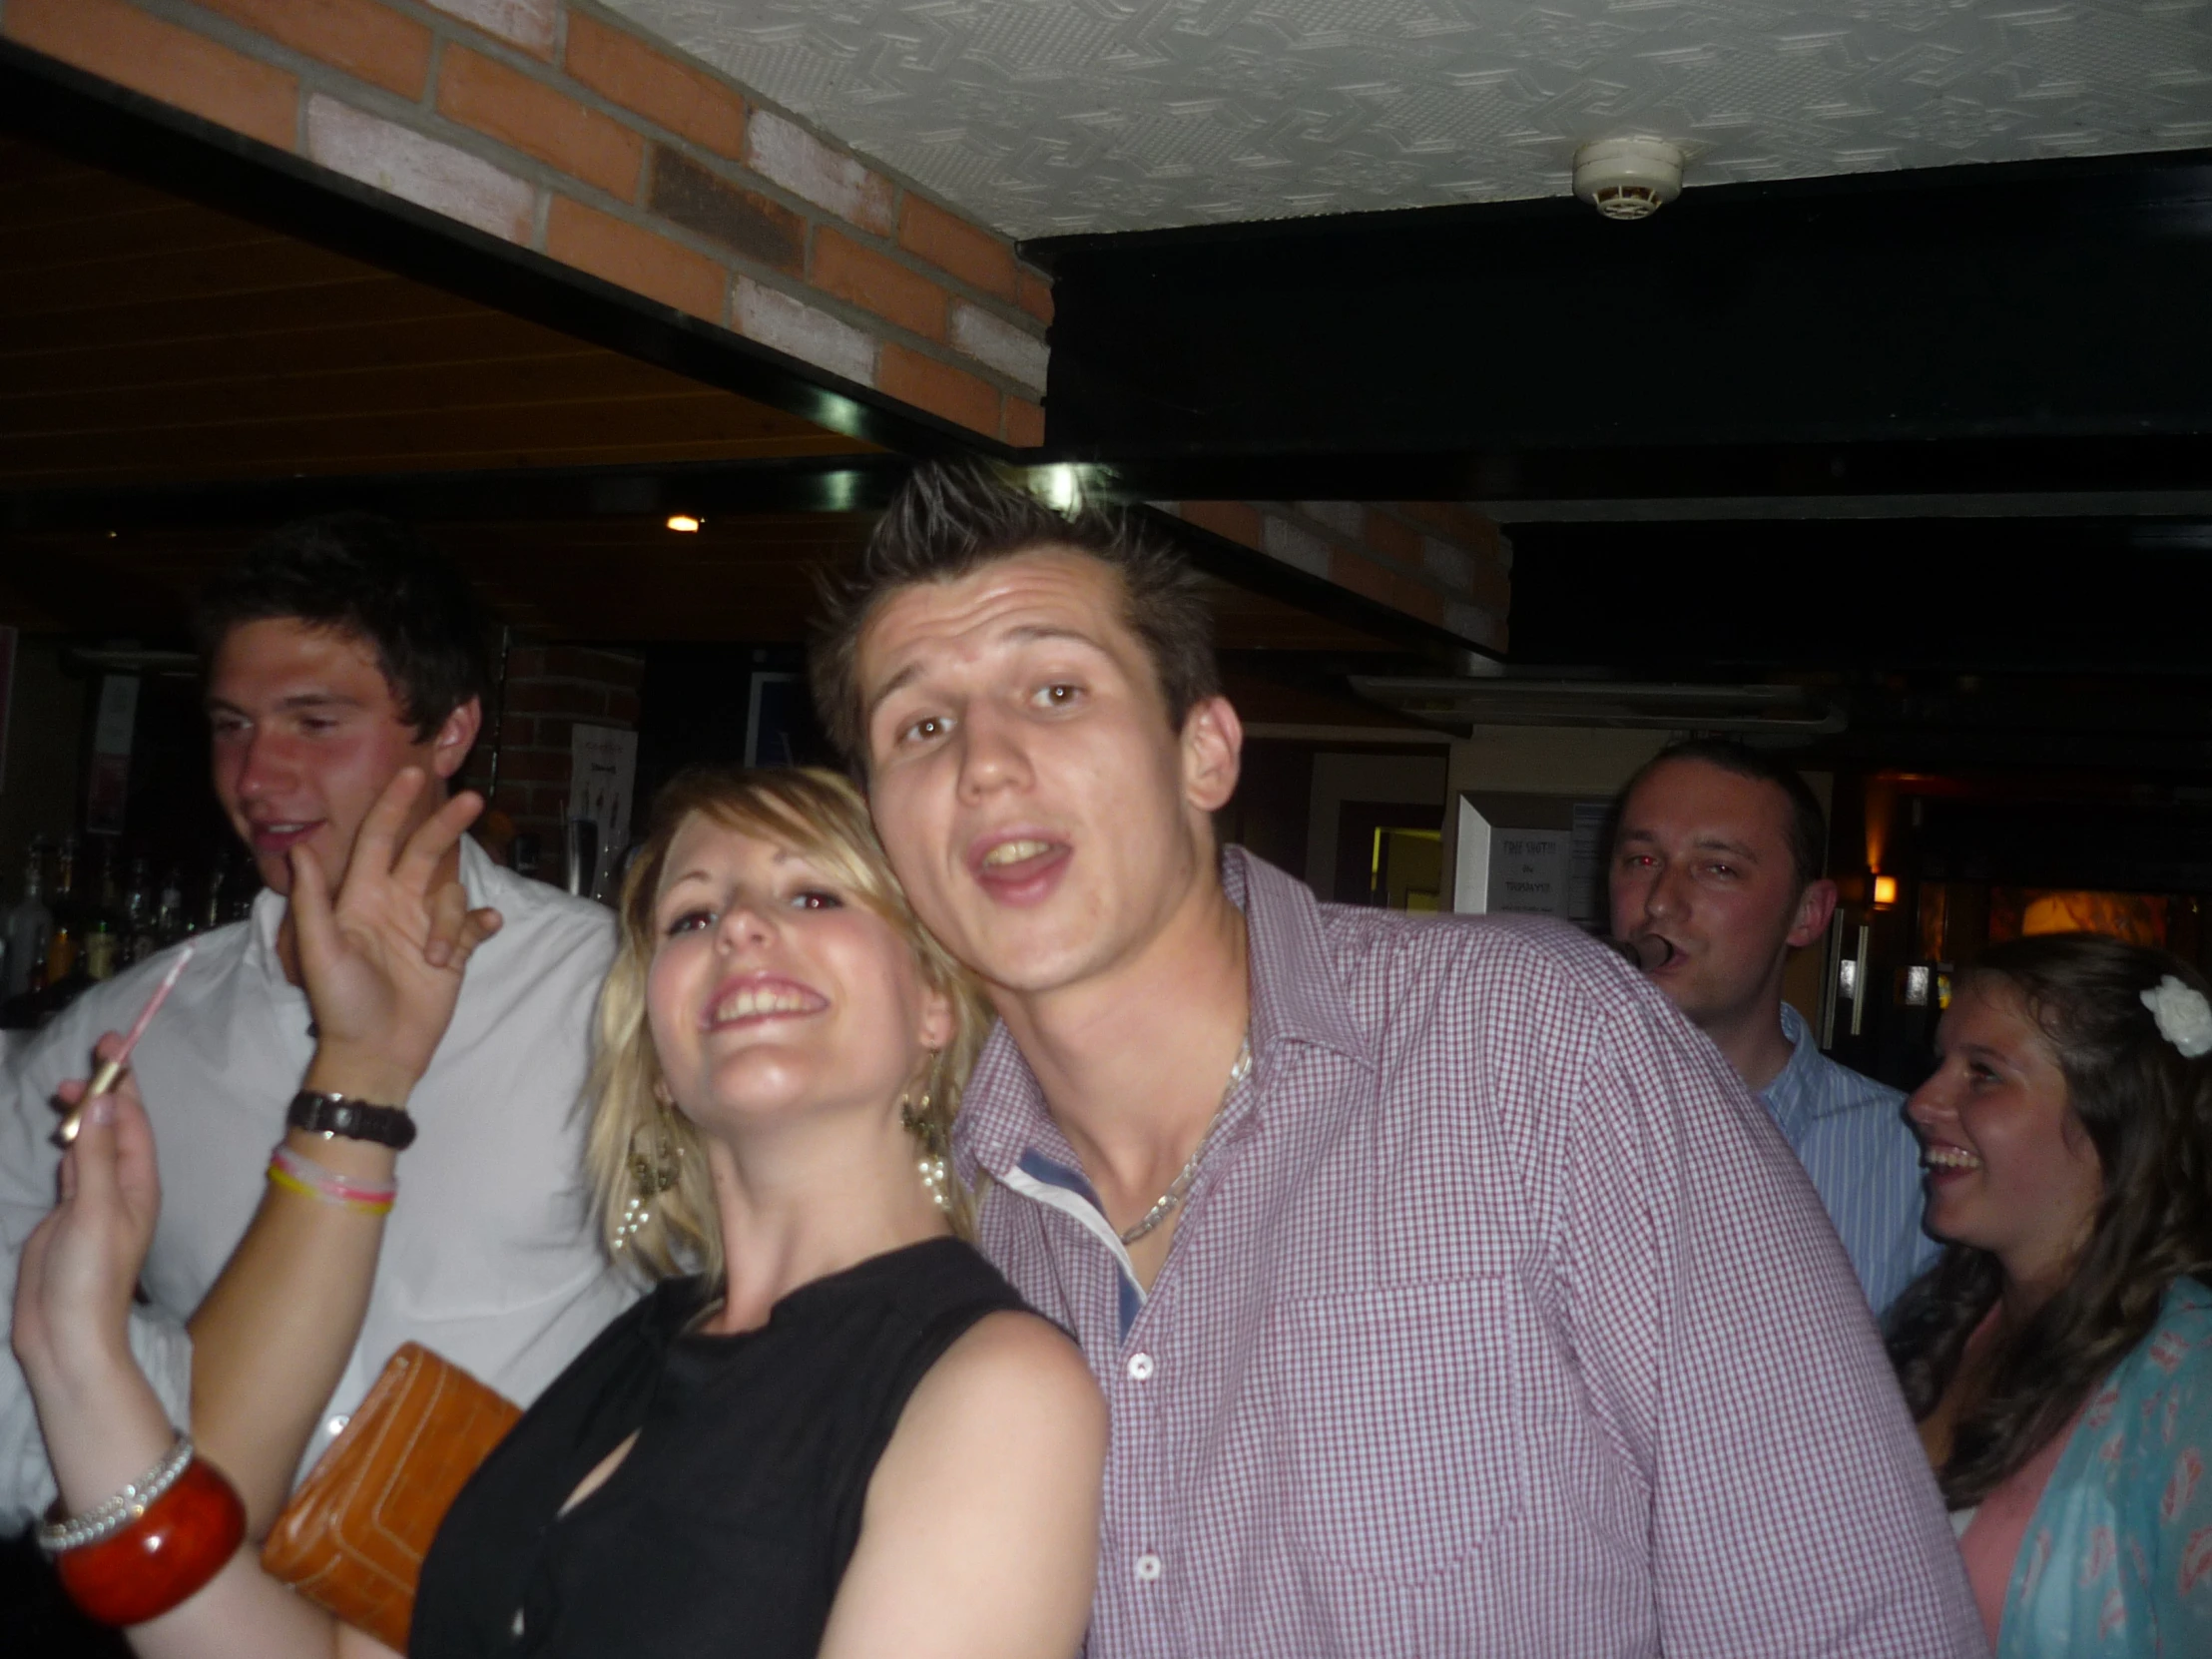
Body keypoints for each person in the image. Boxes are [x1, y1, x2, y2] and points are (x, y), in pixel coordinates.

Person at [812, 462, 1983, 1656]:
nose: (985, 764)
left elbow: (1854, 1614)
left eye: (1055, 690)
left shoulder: (1538, 1051)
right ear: (879, 825)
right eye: (921, 725)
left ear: (1203, 753)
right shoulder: (931, 1204)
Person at [12, 764, 1105, 1658]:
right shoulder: (635, 1345)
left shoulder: (991, 1385)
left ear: (930, 1004)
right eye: (691, 915)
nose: (739, 931)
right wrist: (75, 1358)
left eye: (811, 894)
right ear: (662, 1057)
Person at [0, 514, 631, 1549]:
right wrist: (86, 1482)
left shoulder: (612, 990)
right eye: (231, 725)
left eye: (314, 722)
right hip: (218, 1601)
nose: (255, 777)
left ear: (451, 731)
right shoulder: (133, 1028)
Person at [1889, 933, 2212, 1656]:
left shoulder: (2190, 1382)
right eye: (1943, 1062)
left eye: (1983, 1074)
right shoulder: (1954, 1321)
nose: (1921, 1102)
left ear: (2112, 1120)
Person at [1609, 738, 1938, 1313]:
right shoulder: (1520, 1124)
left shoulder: (1911, 1160)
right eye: (1642, 861)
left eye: (1718, 868)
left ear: (1807, 914)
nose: (1660, 902)